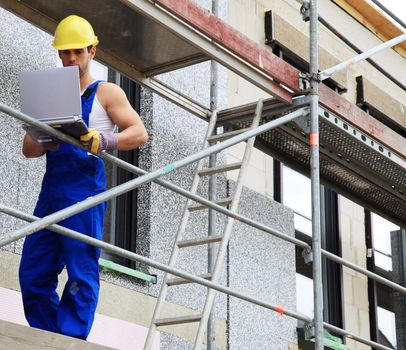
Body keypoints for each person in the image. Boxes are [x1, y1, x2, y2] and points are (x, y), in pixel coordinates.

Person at [18, 15, 148, 340]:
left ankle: (71, 340)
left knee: (80, 272)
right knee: (33, 272)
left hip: (85, 195)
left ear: (92, 50)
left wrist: (105, 141)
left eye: (78, 51)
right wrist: (48, 132)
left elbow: (139, 133)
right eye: (65, 53)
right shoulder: (50, 95)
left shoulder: (106, 92)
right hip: (51, 196)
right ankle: (51, 339)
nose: (71, 59)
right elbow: (29, 150)